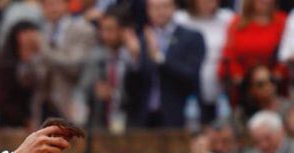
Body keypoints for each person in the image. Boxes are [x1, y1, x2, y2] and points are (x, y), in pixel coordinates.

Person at [126, 0, 205, 128]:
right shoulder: (142, 38)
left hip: (178, 114)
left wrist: (159, 58)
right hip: (145, 117)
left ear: (175, 8)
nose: (160, 12)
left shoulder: (191, 37)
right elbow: (133, 89)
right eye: (155, 7)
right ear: (148, 10)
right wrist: (135, 58)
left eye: (165, 6)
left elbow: (191, 77)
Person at [16, 0, 96, 125]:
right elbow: (27, 79)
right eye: (47, 4)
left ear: (66, 4)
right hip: (43, 107)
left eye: (56, 3)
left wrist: (43, 48)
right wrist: (27, 58)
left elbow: (74, 67)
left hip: (70, 104)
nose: (52, 8)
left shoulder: (82, 29)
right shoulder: (41, 30)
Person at [72, 7, 142, 131]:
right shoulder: (95, 56)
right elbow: (81, 91)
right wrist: (94, 92)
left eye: (110, 30)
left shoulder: (136, 56)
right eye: (102, 30)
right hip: (100, 127)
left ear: (124, 31)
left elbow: (141, 94)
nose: (105, 35)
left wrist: (135, 57)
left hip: (131, 127)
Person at [173, 0, 234, 122]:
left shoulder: (228, 18)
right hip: (188, 90)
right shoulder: (179, 19)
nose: (209, 3)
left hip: (220, 88)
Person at [218, 0, 287, 87]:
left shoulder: (282, 21)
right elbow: (229, 54)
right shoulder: (237, 22)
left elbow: (286, 52)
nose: (266, 2)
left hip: (274, 82)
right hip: (242, 83)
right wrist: (237, 75)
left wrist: (276, 74)